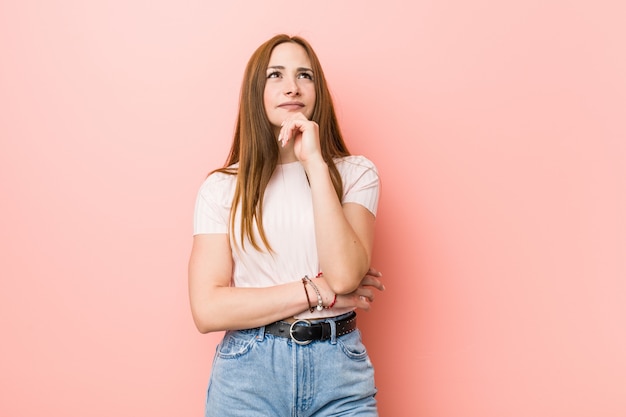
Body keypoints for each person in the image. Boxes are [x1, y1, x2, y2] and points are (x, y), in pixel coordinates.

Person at [188, 34, 384, 417]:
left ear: (318, 91)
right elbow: (207, 309)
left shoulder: (356, 173)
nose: (292, 87)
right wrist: (315, 291)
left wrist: (313, 161)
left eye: (304, 75)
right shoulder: (223, 187)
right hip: (248, 376)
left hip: (339, 375)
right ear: (254, 93)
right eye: (275, 75)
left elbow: (344, 277)